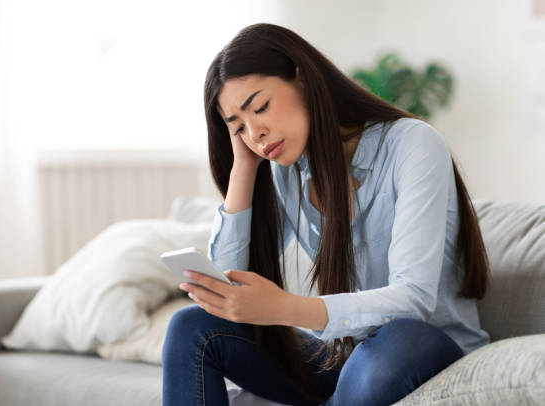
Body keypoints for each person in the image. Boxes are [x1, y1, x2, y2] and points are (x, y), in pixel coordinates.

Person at [162, 23, 491, 406]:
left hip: (422, 350)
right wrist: (243, 169)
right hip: (347, 359)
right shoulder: (288, 171)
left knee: (399, 339)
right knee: (192, 327)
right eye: (239, 128)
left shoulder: (413, 144)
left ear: (301, 78)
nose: (257, 132)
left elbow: (412, 299)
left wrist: (284, 307)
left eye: (261, 107)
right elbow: (227, 301)